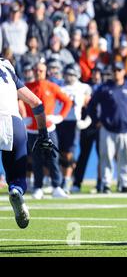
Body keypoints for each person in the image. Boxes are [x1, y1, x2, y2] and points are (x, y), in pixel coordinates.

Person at [0, 58, 58, 228]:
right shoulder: (6, 67)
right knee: (18, 180)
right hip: (14, 122)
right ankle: (16, 191)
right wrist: (43, 134)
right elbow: (37, 104)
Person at [87, 61, 127, 193]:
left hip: (126, 129)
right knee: (106, 157)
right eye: (114, 70)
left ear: (124, 72)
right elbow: (91, 106)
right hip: (107, 129)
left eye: (119, 70)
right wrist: (96, 121)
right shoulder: (104, 88)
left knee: (125, 158)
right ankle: (106, 184)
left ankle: (124, 184)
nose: (116, 73)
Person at [23, 61, 72, 199]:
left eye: (41, 71)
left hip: (49, 128)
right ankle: (38, 187)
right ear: (33, 71)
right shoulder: (27, 87)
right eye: (37, 70)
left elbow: (67, 101)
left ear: (46, 72)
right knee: (36, 159)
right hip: (32, 130)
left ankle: (56, 186)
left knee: (52, 157)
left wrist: (60, 117)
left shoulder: (52, 86)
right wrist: (23, 117)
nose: (39, 73)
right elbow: (15, 99)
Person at [57, 64, 91, 192]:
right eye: (68, 74)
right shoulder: (59, 86)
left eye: (72, 74)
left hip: (73, 122)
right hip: (60, 121)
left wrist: (87, 119)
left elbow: (89, 104)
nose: (69, 77)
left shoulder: (83, 87)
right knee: (60, 152)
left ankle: (66, 180)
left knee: (69, 153)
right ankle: (62, 179)